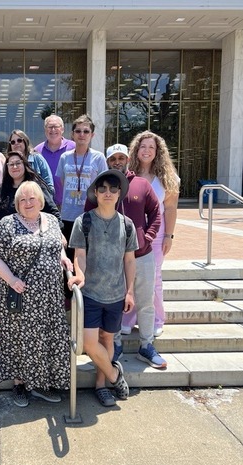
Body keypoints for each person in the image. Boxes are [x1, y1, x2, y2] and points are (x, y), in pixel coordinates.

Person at [0, 181, 72, 407]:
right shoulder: (8, 224)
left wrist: (63, 257)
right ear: (16, 203)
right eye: (22, 199)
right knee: (20, 339)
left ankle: (41, 384)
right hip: (21, 295)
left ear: (41, 200)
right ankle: (19, 384)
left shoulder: (52, 220)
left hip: (50, 297)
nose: (27, 203)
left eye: (32, 198)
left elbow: (57, 245)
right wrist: (12, 280)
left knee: (47, 337)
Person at [85, 144, 165, 369]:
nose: (117, 161)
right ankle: (115, 344)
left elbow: (155, 213)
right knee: (114, 303)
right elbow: (87, 219)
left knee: (145, 301)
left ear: (127, 159)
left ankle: (146, 345)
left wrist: (148, 237)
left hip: (142, 256)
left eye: (121, 157)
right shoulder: (101, 186)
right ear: (108, 161)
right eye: (113, 158)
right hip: (112, 260)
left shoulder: (141, 184)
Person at [68, 170, 137, 408]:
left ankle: (102, 385)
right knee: (89, 342)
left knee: (107, 339)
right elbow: (80, 255)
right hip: (91, 293)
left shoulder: (127, 225)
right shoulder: (83, 221)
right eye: (103, 189)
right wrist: (80, 274)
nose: (108, 193)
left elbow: (129, 260)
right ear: (96, 193)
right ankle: (115, 375)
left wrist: (130, 292)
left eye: (113, 189)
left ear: (119, 194)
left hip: (116, 294)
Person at [127, 131, 180, 338]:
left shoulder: (168, 178)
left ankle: (157, 318)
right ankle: (129, 318)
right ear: (136, 150)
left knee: (154, 277)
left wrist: (169, 235)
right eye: (143, 147)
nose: (147, 150)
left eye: (151, 147)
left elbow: (171, 209)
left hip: (156, 235)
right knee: (130, 275)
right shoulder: (129, 174)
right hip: (133, 234)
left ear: (158, 151)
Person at [56, 114, 108, 254]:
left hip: (90, 215)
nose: (82, 134)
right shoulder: (65, 157)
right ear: (72, 134)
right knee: (69, 256)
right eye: (78, 131)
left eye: (86, 131)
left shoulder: (98, 157)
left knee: (89, 256)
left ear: (92, 135)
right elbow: (63, 182)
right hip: (68, 215)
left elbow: (103, 186)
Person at [0, 151, 62, 230]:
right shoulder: (0, 190)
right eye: (11, 164)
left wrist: (58, 233)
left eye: (18, 163)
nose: (14, 167)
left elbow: (53, 213)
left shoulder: (35, 187)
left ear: (24, 165)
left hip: (33, 238)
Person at [34, 114, 76, 207]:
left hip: (69, 203)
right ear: (45, 130)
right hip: (46, 205)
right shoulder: (37, 151)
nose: (53, 130)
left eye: (56, 126)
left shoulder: (74, 148)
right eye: (50, 127)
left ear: (62, 129)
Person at [7, 130, 54, 195]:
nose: (16, 143)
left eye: (19, 140)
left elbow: (49, 184)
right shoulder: (8, 162)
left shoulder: (37, 158)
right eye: (13, 142)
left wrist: (45, 201)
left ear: (25, 141)